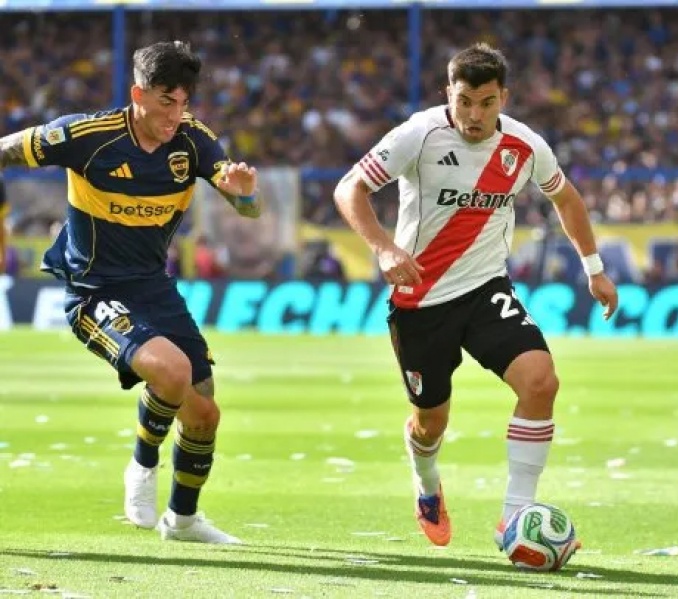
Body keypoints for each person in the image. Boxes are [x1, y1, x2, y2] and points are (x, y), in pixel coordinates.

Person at [333, 43, 618, 549]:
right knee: (430, 423)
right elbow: (349, 189)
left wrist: (594, 269)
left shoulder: (524, 145)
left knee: (541, 381)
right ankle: (427, 484)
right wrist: (383, 249)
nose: (474, 115)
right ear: (449, 93)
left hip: (486, 288)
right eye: (464, 101)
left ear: (503, 98)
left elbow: (566, 198)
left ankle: (514, 516)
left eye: (486, 103)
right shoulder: (418, 135)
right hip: (420, 301)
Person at [0, 41, 262, 544]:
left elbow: (245, 207)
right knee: (172, 372)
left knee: (205, 413)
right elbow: (7, 150)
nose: (175, 115)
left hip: (154, 287)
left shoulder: (194, 142)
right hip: (94, 290)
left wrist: (245, 196)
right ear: (138, 94)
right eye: (166, 102)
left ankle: (182, 521)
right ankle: (142, 466)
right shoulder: (86, 136)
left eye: (183, 103)